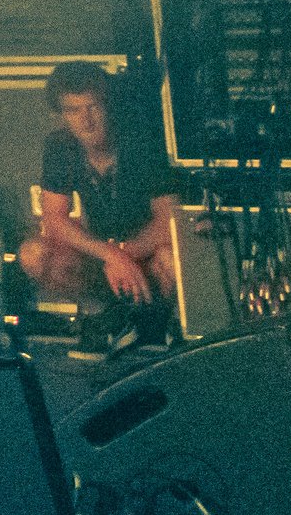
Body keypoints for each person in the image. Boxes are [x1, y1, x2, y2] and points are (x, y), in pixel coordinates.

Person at [18, 60, 178, 352]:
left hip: (144, 254)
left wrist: (124, 254)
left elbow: (169, 221)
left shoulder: (141, 143)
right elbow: (54, 219)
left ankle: (157, 323)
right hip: (104, 258)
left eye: (93, 107)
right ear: (62, 115)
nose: (86, 120)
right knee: (33, 253)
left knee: (169, 257)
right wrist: (111, 256)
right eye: (73, 110)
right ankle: (104, 317)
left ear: (109, 106)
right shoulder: (61, 146)